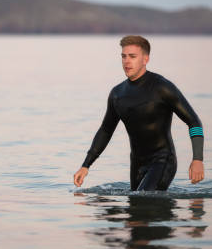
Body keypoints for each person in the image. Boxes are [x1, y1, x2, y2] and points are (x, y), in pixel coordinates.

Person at [73, 35, 204, 190]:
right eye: (123, 56)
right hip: (136, 163)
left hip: (163, 160)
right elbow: (105, 131)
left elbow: (194, 121)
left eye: (132, 56)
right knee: (135, 206)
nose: (127, 61)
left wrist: (197, 159)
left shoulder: (162, 87)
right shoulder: (117, 94)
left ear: (145, 59)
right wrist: (85, 165)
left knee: (145, 200)